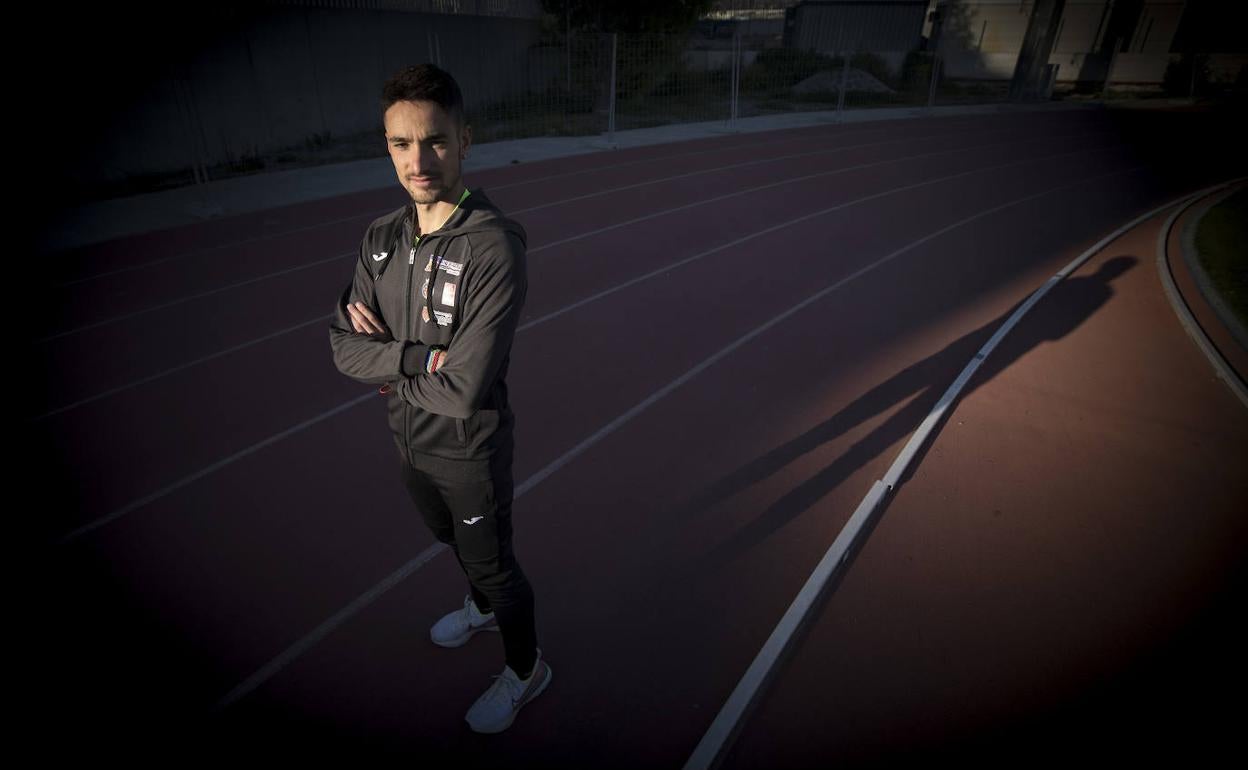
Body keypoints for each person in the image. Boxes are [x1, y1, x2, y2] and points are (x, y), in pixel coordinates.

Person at [328, 63, 549, 734]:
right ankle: (479, 608)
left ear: (465, 140)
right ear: (387, 146)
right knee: (446, 537)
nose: (417, 161)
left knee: (495, 564)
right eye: (401, 144)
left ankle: (525, 668)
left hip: (467, 448)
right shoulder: (381, 237)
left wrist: (386, 365)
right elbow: (342, 346)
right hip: (407, 438)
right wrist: (415, 358)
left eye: (435, 141)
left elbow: (463, 390)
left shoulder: (493, 247)